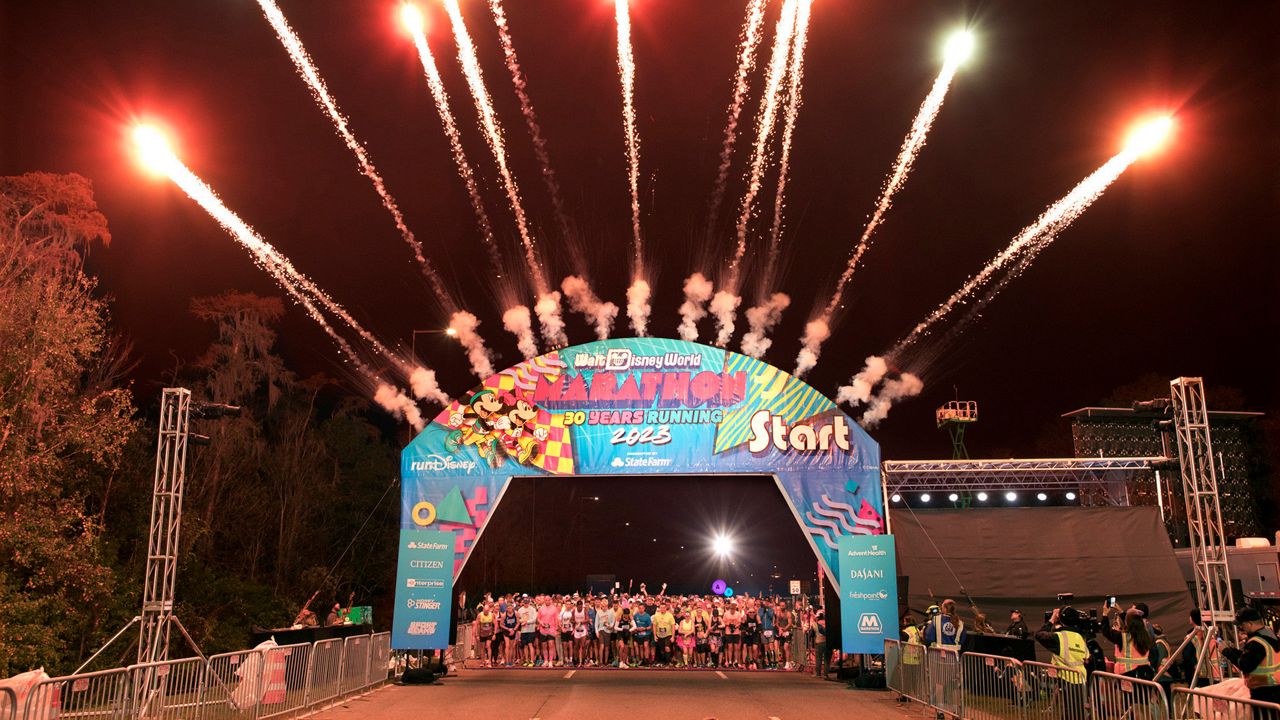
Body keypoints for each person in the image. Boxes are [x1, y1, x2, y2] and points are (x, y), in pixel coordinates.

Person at [1222, 607, 1280, 704]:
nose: (1240, 627)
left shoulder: (1257, 642)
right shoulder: (1269, 634)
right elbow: (1252, 658)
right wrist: (1231, 650)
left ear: (1249, 624)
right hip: (1273, 688)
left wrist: (1225, 652)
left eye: (1241, 624)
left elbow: (1244, 664)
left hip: (1264, 693)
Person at [1102, 605, 1154, 680]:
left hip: (1128, 675)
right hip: (1145, 674)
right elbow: (1132, 621)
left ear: (1127, 622)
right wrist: (1121, 612)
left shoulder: (1122, 637)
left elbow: (1106, 631)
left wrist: (1105, 614)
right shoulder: (1146, 635)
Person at [1179, 609, 1223, 686]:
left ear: (1193, 619)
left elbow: (1186, 657)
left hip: (1197, 675)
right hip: (1216, 673)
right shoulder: (1215, 635)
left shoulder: (1191, 638)